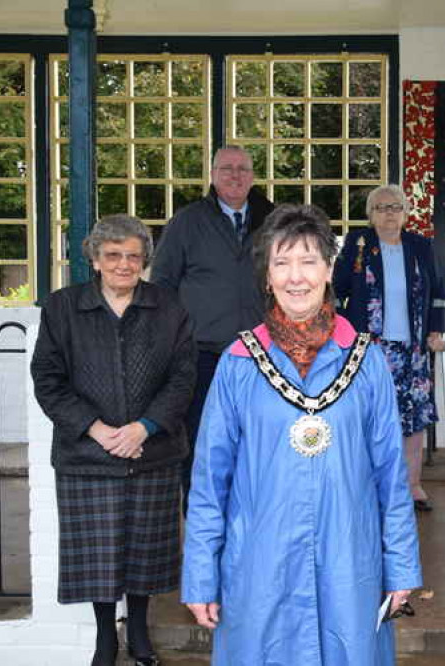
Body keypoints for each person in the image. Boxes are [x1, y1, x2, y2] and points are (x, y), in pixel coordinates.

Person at [182, 204, 421, 665]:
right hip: (259, 564)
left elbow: (391, 476)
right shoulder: (237, 363)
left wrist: (402, 566)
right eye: (282, 262)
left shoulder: (366, 361)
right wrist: (199, 577)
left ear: (329, 269)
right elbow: (210, 482)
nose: (297, 277)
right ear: (266, 275)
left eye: (309, 261)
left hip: (349, 562)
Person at [31, 214, 196, 666]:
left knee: (145, 550)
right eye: (113, 255)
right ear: (95, 259)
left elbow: (183, 378)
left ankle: (138, 630)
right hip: (87, 455)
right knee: (97, 556)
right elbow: (47, 378)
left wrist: (145, 426)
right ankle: (106, 637)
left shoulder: (170, 307)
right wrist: (97, 429)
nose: (124, 264)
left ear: (145, 260)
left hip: (153, 451)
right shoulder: (63, 307)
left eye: (133, 256)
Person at [152, 145, 275, 511]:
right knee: (202, 441)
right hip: (203, 355)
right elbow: (162, 286)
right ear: (212, 175)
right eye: (226, 169)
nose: (235, 175)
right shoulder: (187, 222)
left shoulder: (273, 220)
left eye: (242, 168)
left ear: (253, 176)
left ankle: (256, 517)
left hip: (262, 355)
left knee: (259, 439)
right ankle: (201, 517)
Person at [332, 184, 445, 511]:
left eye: (395, 207)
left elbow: (439, 292)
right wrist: (340, 332)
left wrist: (437, 329)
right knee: (371, 417)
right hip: (369, 349)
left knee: (413, 419)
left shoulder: (421, 246)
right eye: (381, 208)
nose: (389, 214)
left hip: (412, 348)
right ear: (370, 215)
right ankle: (368, 486)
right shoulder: (359, 245)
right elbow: (337, 292)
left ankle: (411, 486)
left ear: (405, 213)